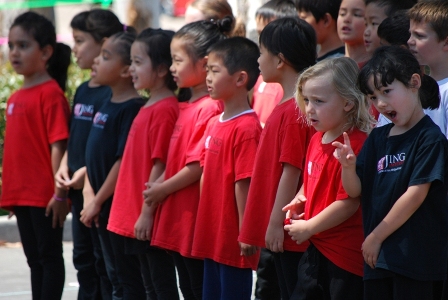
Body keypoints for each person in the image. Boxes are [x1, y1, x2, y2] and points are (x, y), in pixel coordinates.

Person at [334, 45, 448, 299]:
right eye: (374, 97)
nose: (381, 103)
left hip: (415, 262)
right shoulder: (377, 138)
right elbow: (355, 191)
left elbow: (415, 195)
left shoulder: (430, 138)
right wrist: (348, 167)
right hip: (379, 260)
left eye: (387, 91)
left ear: (414, 82)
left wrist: (375, 236)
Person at [142, 18, 230, 300]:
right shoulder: (186, 105)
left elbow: (195, 166)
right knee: (187, 286)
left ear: (204, 64)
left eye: (177, 61)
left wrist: (161, 189)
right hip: (178, 214)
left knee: (196, 288)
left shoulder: (210, 108)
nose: (171, 69)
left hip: (192, 216)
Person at [283, 57, 374, 299]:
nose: (310, 108)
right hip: (316, 248)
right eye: (307, 100)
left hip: (344, 257)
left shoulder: (357, 144)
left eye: (319, 101)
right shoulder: (317, 137)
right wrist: (300, 198)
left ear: (347, 103)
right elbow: (312, 179)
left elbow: (349, 203)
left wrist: (309, 227)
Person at [239, 17, 316, 300]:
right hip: (282, 228)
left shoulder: (295, 111)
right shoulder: (289, 105)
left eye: (261, 53)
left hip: (287, 230)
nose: (258, 61)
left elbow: (291, 170)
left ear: (280, 60)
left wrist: (275, 223)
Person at [0, 11, 71, 300]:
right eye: (12, 45)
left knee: (48, 258)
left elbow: (59, 146)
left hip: (44, 196)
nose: (14, 53)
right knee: (34, 260)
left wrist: (59, 194)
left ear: (46, 52)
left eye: (23, 45)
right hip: (23, 195)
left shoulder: (51, 94)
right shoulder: (16, 97)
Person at [106, 28, 180, 300]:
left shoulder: (165, 109)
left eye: (138, 62)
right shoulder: (150, 104)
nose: (131, 69)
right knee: (147, 286)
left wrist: (146, 212)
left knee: (159, 287)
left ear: (161, 69)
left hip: (145, 216)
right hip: (133, 213)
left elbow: (159, 165)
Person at [54, 9, 123, 299]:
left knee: (106, 266)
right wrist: (66, 165)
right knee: (83, 261)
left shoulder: (113, 93)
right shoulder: (83, 89)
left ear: (104, 42)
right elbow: (76, 137)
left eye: (80, 40)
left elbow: (117, 153)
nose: (75, 48)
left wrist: (88, 179)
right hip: (78, 195)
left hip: (99, 197)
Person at [191, 36, 262, 300]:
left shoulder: (247, 128)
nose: (207, 77)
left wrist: (247, 231)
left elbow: (244, 183)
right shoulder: (215, 121)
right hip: (212, 233)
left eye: (214, 71)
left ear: (240, 79)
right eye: (207, 70)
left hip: (233, 238)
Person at [79, 29, 145, 299]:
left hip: (115, 207)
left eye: (105, 56)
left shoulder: (131, 108)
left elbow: (122, 161)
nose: (96, 60)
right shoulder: (106, 100)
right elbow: (91, 154)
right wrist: (89, 194)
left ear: (126, 70)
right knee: (107, 273)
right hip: (99, 205)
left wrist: (98, 200)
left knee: (124, 278)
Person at [251, 1, 298, 128]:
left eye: (267, 34)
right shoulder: (262, 77)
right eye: (259, 33)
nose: (262, 41)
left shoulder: (292, 85)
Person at [408, 0, 448, 137]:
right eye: (410, 34)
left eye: (419, 36)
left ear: (446, 42)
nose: (409, 41)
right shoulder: (415, 87)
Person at [337, 0, 369, 65]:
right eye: (342, 14)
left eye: (357, 14)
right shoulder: (332, 67)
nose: (346, 19)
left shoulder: (376, 69)